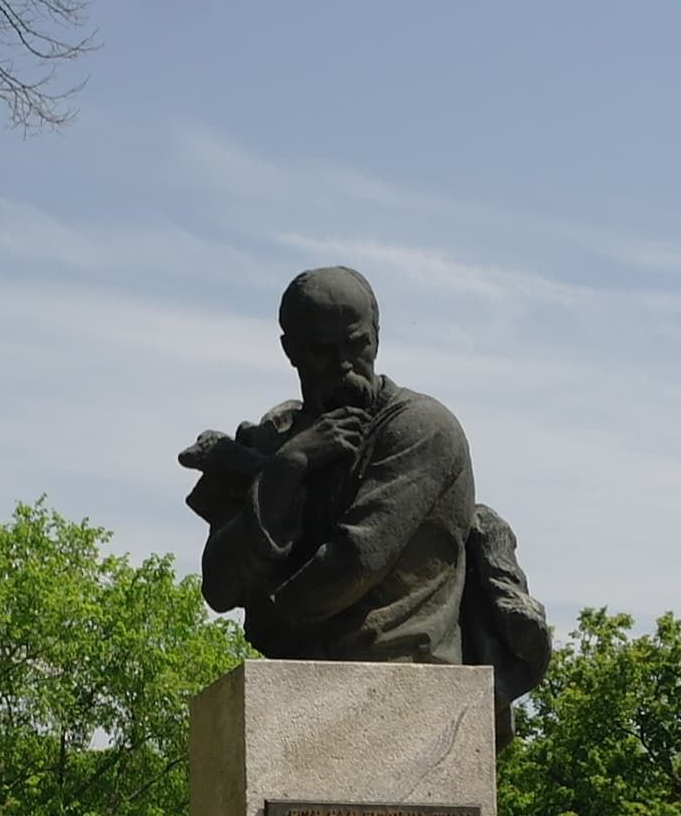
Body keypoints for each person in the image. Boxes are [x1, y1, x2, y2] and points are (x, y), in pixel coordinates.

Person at [182, 267, 551, 710]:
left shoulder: (421, 429)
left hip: (404, 678)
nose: (343, 364)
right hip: (302, 685)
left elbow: (347, 568)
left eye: (358, 345)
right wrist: (286, 466)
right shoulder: (272, 441)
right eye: (323, 349)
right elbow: (219, 587)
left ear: (377, 335)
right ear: (290, 350)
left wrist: (268, 592)